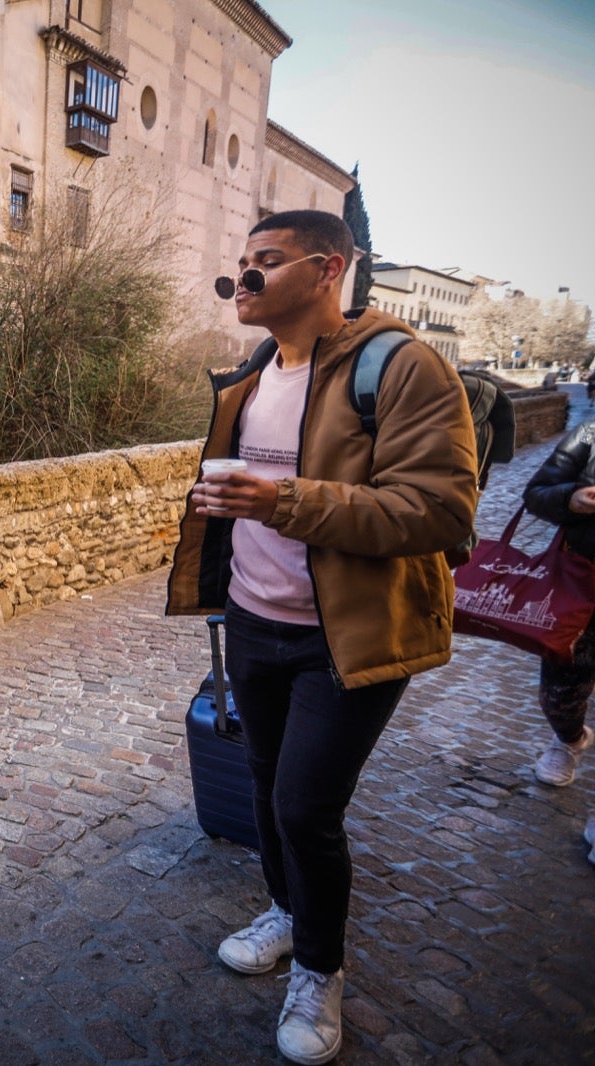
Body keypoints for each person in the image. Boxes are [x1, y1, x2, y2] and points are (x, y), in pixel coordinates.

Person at [166, 210, 478, 1065]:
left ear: (326, 269)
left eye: (265, 263)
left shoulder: (401, 367)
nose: (245, 278)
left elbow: (441, 509)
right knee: (266, 792)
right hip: (255, 622)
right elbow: (246, 500)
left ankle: (319, 968)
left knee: (307, 807)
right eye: (241, 264)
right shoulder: (252, 374)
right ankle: (284, 909)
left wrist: (284, 501)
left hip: (351, 636)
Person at [521, 419, 595, 844]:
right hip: (582, 586)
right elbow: (537, 493)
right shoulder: (589, 434)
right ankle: (569, 738)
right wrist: (574, 499)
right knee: (559, 695)